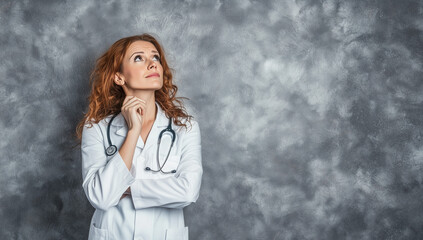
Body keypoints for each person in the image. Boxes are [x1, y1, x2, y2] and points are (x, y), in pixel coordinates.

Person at [75, 33, 203, 240]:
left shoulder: (185, 127)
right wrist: (133, 132)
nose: (152, 64)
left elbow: (188, 191)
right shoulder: (97, 128)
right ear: (119, 77)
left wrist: (127, 188)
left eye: (155, 58)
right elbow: (101, 197)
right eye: (138, 58)